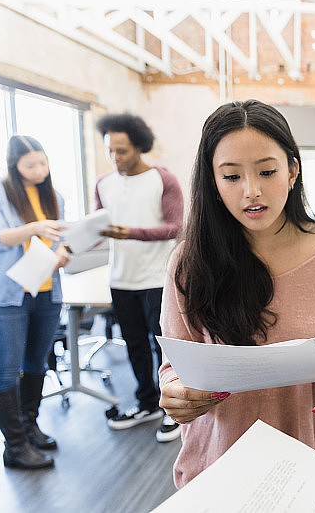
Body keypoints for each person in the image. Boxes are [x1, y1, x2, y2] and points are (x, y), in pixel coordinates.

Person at [158, 99, 315, 488]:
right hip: (216, 467)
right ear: (213, 182)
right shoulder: (191, 260)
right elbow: (175, 360)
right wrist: (173, 392)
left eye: (267, 171)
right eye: (232, 177)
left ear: (293, 170)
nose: (251, 191)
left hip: (307, 464)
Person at [94, 113, 184, 442]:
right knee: (134, 346)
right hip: (120, 279)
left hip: (156, 278)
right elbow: (99, 228)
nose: (116, 158)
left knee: (164, 347)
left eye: (123, 151)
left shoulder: (163, 179)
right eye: (111, 151)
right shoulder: (103, 184)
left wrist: (129, 233)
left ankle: (172, 410)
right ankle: (147, 403)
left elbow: (175, 227)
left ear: (139, 147)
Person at [0, 135, 70, 469]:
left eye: (43, 162)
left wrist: (63, 252)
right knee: (6, 370)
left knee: (37, 362)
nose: (39, 170)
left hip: (46, 291)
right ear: (14, 165)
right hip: (6, 296)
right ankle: (15, 445)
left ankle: (30, 426)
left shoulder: (55, 196)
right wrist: (35, 227)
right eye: (30, 164)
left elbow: (62, 241)